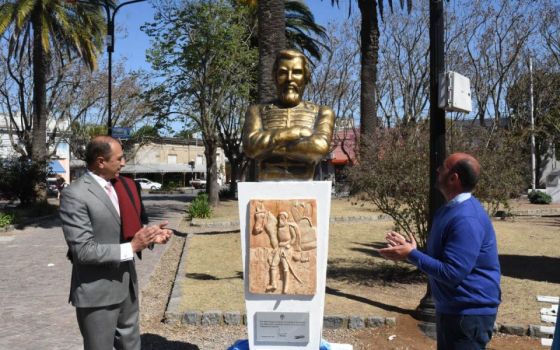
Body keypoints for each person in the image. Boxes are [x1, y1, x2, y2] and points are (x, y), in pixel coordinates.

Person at [378, 152, 501, 350]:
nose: (437, 170)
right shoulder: (449, 210)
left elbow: (452, 273)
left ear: (454, 178)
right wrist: (412, 251)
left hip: (469, 314)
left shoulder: (466, 219)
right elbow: (445, 258)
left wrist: (411, 254)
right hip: (453, 309)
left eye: (443, 167)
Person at [59, 136, 172, 350]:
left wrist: (150, 237)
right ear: (101, 161)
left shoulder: (124, 186)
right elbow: (82, 251)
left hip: (127, 286)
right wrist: (132, 247)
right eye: (119, 158)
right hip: (97, 293)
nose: (123, 162)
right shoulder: (75, 194)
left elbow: (129, 229)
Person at [243, 49, 335, 181]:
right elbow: (251, 147)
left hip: (306, 180)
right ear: (274, 77)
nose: (289, 78)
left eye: (297, 72)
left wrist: (268, 148)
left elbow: (319, 147)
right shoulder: (256, 111)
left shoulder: (323, 112)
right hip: (266, 180)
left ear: (306, 77)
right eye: (283, 73)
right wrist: (294, 133)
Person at [266, 211, 300, 293]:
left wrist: (289, 245)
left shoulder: (289, 227)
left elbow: (293, 238)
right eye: (279, 218)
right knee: (273, 265)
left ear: (285, 219)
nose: (280, 220)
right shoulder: (278, 227)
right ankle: (274, 284)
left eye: (282, 218)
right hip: (279, 248)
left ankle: (286, 287)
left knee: (285, 268)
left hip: (287, 249)